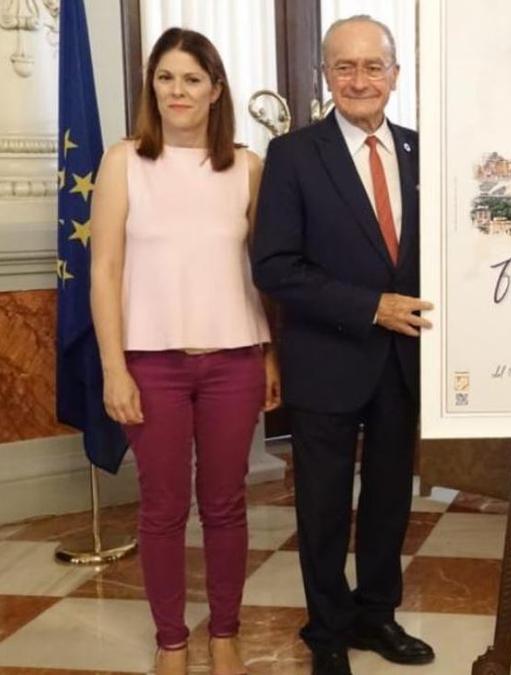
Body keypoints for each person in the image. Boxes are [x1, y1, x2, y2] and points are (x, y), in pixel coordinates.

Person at [90, 27, 278, 675]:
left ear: (216, 90)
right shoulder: (123, 162)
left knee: (225, 503)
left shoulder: (247, 168)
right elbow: (105, 270)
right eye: (166, 77)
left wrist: (270, 357)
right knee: (163, 506)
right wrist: (114, 366)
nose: (178, 90)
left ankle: (224, 632)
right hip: (150, 364)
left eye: (192, 79)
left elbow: (265, 274)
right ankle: (172, 638)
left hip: (235, 360)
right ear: (152, 87)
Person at [251, 15, 434, 675]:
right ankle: (327, 628)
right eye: (345, 67)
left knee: (389, 499)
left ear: (395, 73)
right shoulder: (295, 155)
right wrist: (369, 308)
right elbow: (274, 265)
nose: (360, 80)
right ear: (327, 75)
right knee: (324, 505)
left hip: (402, 362)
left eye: (373, 66)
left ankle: (377, 614)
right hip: (326, 360)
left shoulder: (423, 152)